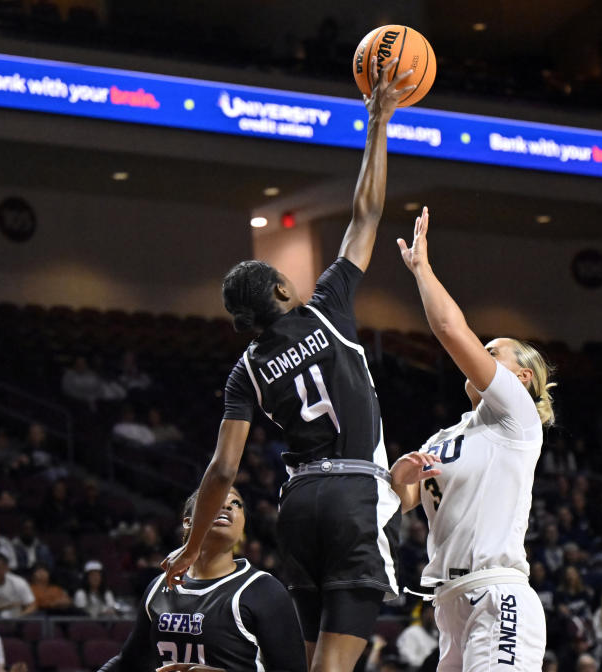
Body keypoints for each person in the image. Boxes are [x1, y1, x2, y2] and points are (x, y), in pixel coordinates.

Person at [160, 55, 416, 672]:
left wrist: (191, 547)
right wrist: (378, 122)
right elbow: (367, 214)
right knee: (332, 668)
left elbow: (222, 470)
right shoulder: (326, 307)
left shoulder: (243, 371)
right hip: (355, 492)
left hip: (298, 505)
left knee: (303, 665)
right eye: (285, 278)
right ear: (279, 293)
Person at [387, 206, 554, 672]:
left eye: (491, 351)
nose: (479, 354)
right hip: (449, 605)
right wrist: (400, 480)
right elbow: (404, 504)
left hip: (496, 594)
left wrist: (422, 269)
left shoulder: (516, 417)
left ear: (520, 377)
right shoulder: (446, 434)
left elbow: (449, 329)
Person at [102, 487, 305, 672]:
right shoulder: (159, 587)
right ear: (188, 522)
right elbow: (127, 662)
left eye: (236, 504)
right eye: (215, 499)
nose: (227, 505)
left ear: (242, 525)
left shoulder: (264, 590)